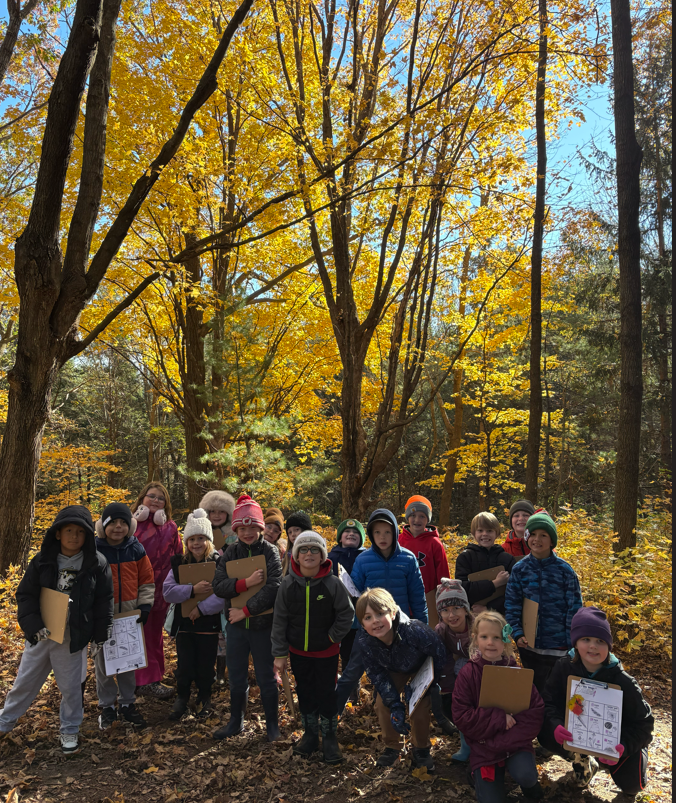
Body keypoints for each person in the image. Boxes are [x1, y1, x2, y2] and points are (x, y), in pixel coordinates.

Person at [0, 506, 113, 754]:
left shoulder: (97, 563)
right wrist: (33, 627)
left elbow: (104, 602)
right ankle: (5, 721)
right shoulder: (42, 560)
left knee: (72, 687)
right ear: (58, 534)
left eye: (80, 532)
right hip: (41, 635)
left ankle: (70, 729)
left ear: (88, 536)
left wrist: (100, 634)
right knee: (25, 681)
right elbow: (26, 595)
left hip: (72, 638)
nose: (74, 536)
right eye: (68, 531)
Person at [539, 607, 654, 794]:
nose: (592, 646)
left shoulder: (623, 681)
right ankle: (583, 759)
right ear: (575, 643)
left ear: (609, 646)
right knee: (545, 733)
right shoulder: (563, 667)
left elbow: (645, 725)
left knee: (633, 786)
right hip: (579, 734)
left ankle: (622, 762)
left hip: (615, 741)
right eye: (586, 639)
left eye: (600, 641)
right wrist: (555, 726)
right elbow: (548, 702)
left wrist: (623, 746)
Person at [272, 531, 354, 764]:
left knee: (327, 694)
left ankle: (329, 737)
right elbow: (279, 620)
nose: (309, 554)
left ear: (322, 556)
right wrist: (279, 653)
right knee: (305, 693)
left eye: (314, 550)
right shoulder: (287, 585)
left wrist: (332, 637)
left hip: (326, 653)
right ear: (296, 556)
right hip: (299, 652)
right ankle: (310, 734)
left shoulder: (333, 584)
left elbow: (346, 614)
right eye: (304, 550)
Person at [335, 509, 428, 714]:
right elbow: (354, 593)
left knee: (394, 676)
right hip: (368, 628)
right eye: (377, 533)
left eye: (387, 532)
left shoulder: (408, 559)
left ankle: (391, 716)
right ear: (370, 534)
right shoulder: (363, 559)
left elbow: (417, 597)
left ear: (395, 532)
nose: (382, 537)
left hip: (399, 628)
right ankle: (332, 716)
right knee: (351, 673)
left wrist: (422, 627)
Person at [452, 611, 545, 802]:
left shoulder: (516, 672)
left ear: (504, 640)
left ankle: (531, 788)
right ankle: (477, 773)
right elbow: (461, 716)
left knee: (526, 776)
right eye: (484, 637)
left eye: (496, 637)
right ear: (476, 639)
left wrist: (507, 739)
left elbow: (535, 712)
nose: (490, 642)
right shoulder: (468, 674)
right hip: (484, 747)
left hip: (515, 744)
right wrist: (498, 719)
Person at [212, 494, 283, 741]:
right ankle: (235, 721)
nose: (247, 532)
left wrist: (246, 610)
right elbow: (219, 586)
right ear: (236, 529)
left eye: (253, 527)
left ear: (261, 527)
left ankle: (272, 725)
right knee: (237, 675)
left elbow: (274, 586)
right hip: (236, 629)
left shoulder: (271, 551)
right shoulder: (230, 553)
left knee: (266, 676)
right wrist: (245, 583)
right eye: (242, 528)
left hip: (263, 626)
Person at [356, 588, 445, 771]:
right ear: (362, 623)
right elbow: (376, 673)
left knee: (419, 706)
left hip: (422, 666)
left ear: (393, 612)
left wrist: (431, 684)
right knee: (383, 704)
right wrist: (395, 704)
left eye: (380, 614)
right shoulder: (365, 641)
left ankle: (421, 748)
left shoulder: (414, 630)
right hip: (393, 670)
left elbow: (439, 652)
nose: (375, 621)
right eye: (368, 618)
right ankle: (392, 746)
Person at [504, 512, 583, 693]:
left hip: (559, 647)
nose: (536, 539)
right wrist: (517, 632)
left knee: (557, 692)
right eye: (532, 534)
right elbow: (512, 604)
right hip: (529, 646)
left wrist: (573, 642)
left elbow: (575, 608)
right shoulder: (520, 569)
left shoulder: (565, 571)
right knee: (534, 692)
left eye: (543, 535)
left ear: (552, 541)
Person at [94, 502, 154, 729]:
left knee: (128, 663)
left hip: (129, 617)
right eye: (113, 523)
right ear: (104, 526)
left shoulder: (136, 549)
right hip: (103, 619)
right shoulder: (94, 551)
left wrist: (145, 606)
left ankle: (128, 704)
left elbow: (147, 581)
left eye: (123, 523)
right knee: (104, 665)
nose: (118, 527)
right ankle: (107, 707)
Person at [163, 509, 225, 721]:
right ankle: (182, 696)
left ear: (208, 540)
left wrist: (201, 609)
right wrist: (192, 590)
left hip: (208, 625)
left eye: (201, 538)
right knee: (185, 663)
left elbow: (222, 593)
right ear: (186, 541)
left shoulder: (218, 562)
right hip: (184, 626)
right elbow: (168, 591)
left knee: (206, 664)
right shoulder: (178, 563)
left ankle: (204, 696)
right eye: (192, 539)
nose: (196, 543)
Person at [131, 482, 182, 699]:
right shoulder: (131, 525)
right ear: (142, 499)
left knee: (154, 634)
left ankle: (155, 675)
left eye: (160, 498)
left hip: (163, 590)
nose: (155, 500)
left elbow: (178, 556)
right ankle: (144, 680)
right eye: (151, 496)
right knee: (141, 634)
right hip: (137, 589)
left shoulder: (170, 527)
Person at [200, 489, 236, 684]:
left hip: (228, 588)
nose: (216, 515)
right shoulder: (201, 534)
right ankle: (210, 670)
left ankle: (223, 672)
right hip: (206, 587)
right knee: (211, 630)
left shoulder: (234, 536)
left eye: (221, 512)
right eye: (212, 511)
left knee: (226, 631)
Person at [434, 578, 471, 760]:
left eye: (457, 608)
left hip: (479, 670)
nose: (452, 615)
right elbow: (443, 658)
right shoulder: (442, 631)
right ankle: (465, 743)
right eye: (446, 610)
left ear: (465, 609)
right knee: (455, 706)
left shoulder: (477, 627)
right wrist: (448, 684)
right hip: (456, 670)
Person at [398, 495, 450, 622]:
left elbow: (443, 573)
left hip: (428, 597)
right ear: (407, 518)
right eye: (413, 515)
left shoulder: (434, 543)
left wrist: (444, 596)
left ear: (427, 519)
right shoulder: (398, 540)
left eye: (422, 516)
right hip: (402, 594)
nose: (417, 520)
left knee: (427, 631)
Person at [327, 518, 367, 678]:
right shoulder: (330, 557)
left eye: (355, 533)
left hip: (359, 613)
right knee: (335, 648)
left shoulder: (366, 557)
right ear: (340, 537)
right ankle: (333, 681)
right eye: (347, 532)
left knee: (352, 651)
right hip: (335, 612)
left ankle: (352, 685)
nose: (351, 534)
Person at [455, 512, 515, 615]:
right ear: (474, 533)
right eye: (480, 530)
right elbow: (462, 589)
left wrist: (489, 608)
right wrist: (494, 584)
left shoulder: (508, 559)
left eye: (489, 530)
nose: (485, 534)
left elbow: (514, 592)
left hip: (500, 617)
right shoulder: (465, 558)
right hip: (471, 615)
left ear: (497, 533)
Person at [281, 510, 312, 575]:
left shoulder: (314, 552)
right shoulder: (286, 557)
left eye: (296, 530)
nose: (293, 534)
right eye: (290, 532)